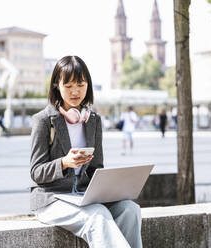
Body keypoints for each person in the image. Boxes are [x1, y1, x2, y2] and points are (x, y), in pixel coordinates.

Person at [30, 56, 142, 248]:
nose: (75, 91)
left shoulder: (93, 121)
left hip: (83, 197)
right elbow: (36, 172)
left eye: (81, 84)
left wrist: (110, 186)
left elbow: (96, 168)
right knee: (98, 216)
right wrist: (64, 162)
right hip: (52, 199)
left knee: (130, 209)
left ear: (88, 85)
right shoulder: (43, 120)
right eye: (69, 85)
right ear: (57, 85)